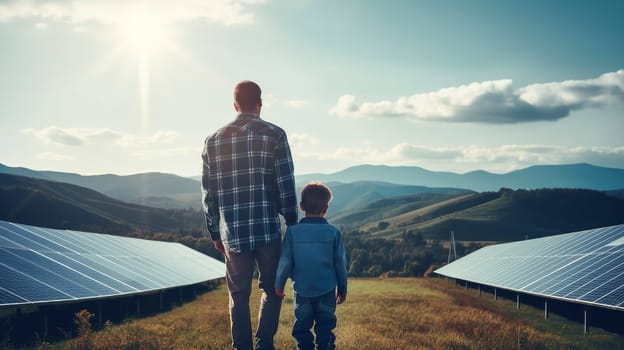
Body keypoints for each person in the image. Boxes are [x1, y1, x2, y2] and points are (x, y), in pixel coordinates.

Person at [201, 80, 298, 350]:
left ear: (234, 105)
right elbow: (285, 184)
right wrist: (292, 224)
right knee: (272, 288)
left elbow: (209, 194)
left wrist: (214, 232)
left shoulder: (213, 140)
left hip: (232, 232)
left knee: (238, 294)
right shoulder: (275, 134)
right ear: (260, 103)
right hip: (267, 230)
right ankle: (263, 343)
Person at [275, 182, 348, 350]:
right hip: (327, 291)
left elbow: (285, 260)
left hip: (302, 291)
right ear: (326, 208)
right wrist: (342, 289)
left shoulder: (293, 232)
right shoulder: (334, 232)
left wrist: (279, 283)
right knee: (325, 329)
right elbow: (340, 264)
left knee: (301, 330)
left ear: (301, 206)